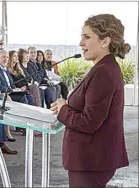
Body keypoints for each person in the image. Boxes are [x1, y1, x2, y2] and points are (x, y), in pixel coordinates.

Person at [50, 14, 129, 187]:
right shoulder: (105, 68)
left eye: (86, 37)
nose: (81, 43)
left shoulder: (103, 72)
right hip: (92, 160)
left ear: (105, 41)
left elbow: (88, 122)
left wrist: (63, 108)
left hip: (91, 161)